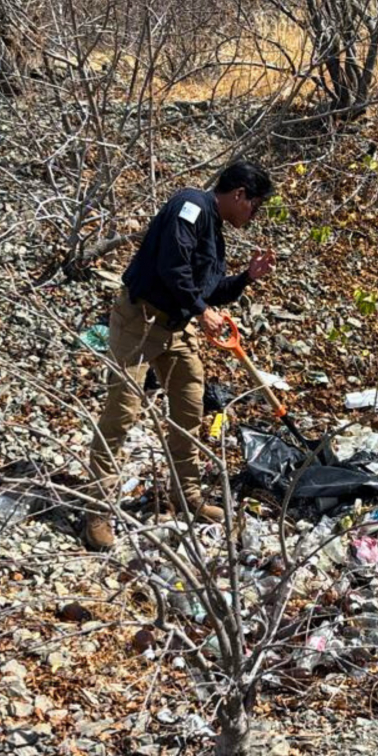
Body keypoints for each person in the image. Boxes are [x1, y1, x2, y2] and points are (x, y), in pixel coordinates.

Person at [84, 161, 276, 551]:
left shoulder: (214, 229)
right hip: (139, 321)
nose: (253, 216)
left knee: (189, 406)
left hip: (176, 326)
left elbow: (209, 289)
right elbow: (172, 266)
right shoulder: (190, 207)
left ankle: (186, 494)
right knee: (122, 411)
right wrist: (201, 311)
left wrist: (246, 278)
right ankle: (95, 510)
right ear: (239, 194)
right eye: (254, 206)